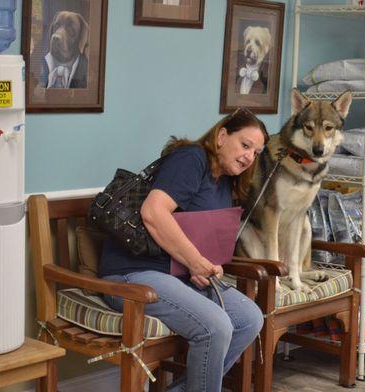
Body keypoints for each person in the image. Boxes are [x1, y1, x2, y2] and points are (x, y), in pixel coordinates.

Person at [99, 108, 269, 392]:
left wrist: (205, 266)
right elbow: (153, 212)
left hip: (176, 274)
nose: (250, 157)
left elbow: (197, 236)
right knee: (216, 327)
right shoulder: (190, 159)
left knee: (249, 319)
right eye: (245, 145)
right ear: (222, 136)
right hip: (133, 273)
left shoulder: (226, 181)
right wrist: (195, 262)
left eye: (257, 152)